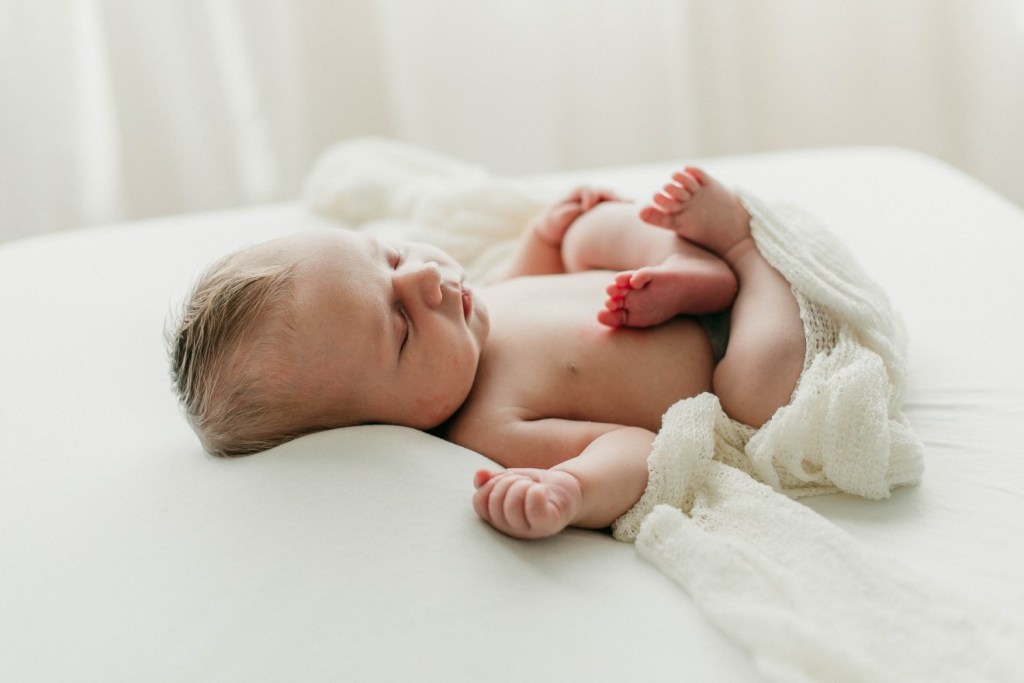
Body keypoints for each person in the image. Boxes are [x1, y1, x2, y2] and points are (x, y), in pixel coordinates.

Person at [169, 167, 806, 540]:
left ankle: (683, 262)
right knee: (757, 393)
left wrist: (546, 238)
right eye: (399, 327)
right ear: (382, 428)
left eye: (390, 256)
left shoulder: (475, 308)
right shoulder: (490, 425)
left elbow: (530, 282)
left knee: (585, 234)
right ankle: (744, 257)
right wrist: (572, 488)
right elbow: (635, 448)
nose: (425, 279)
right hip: (724, 347)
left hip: (655, 283)